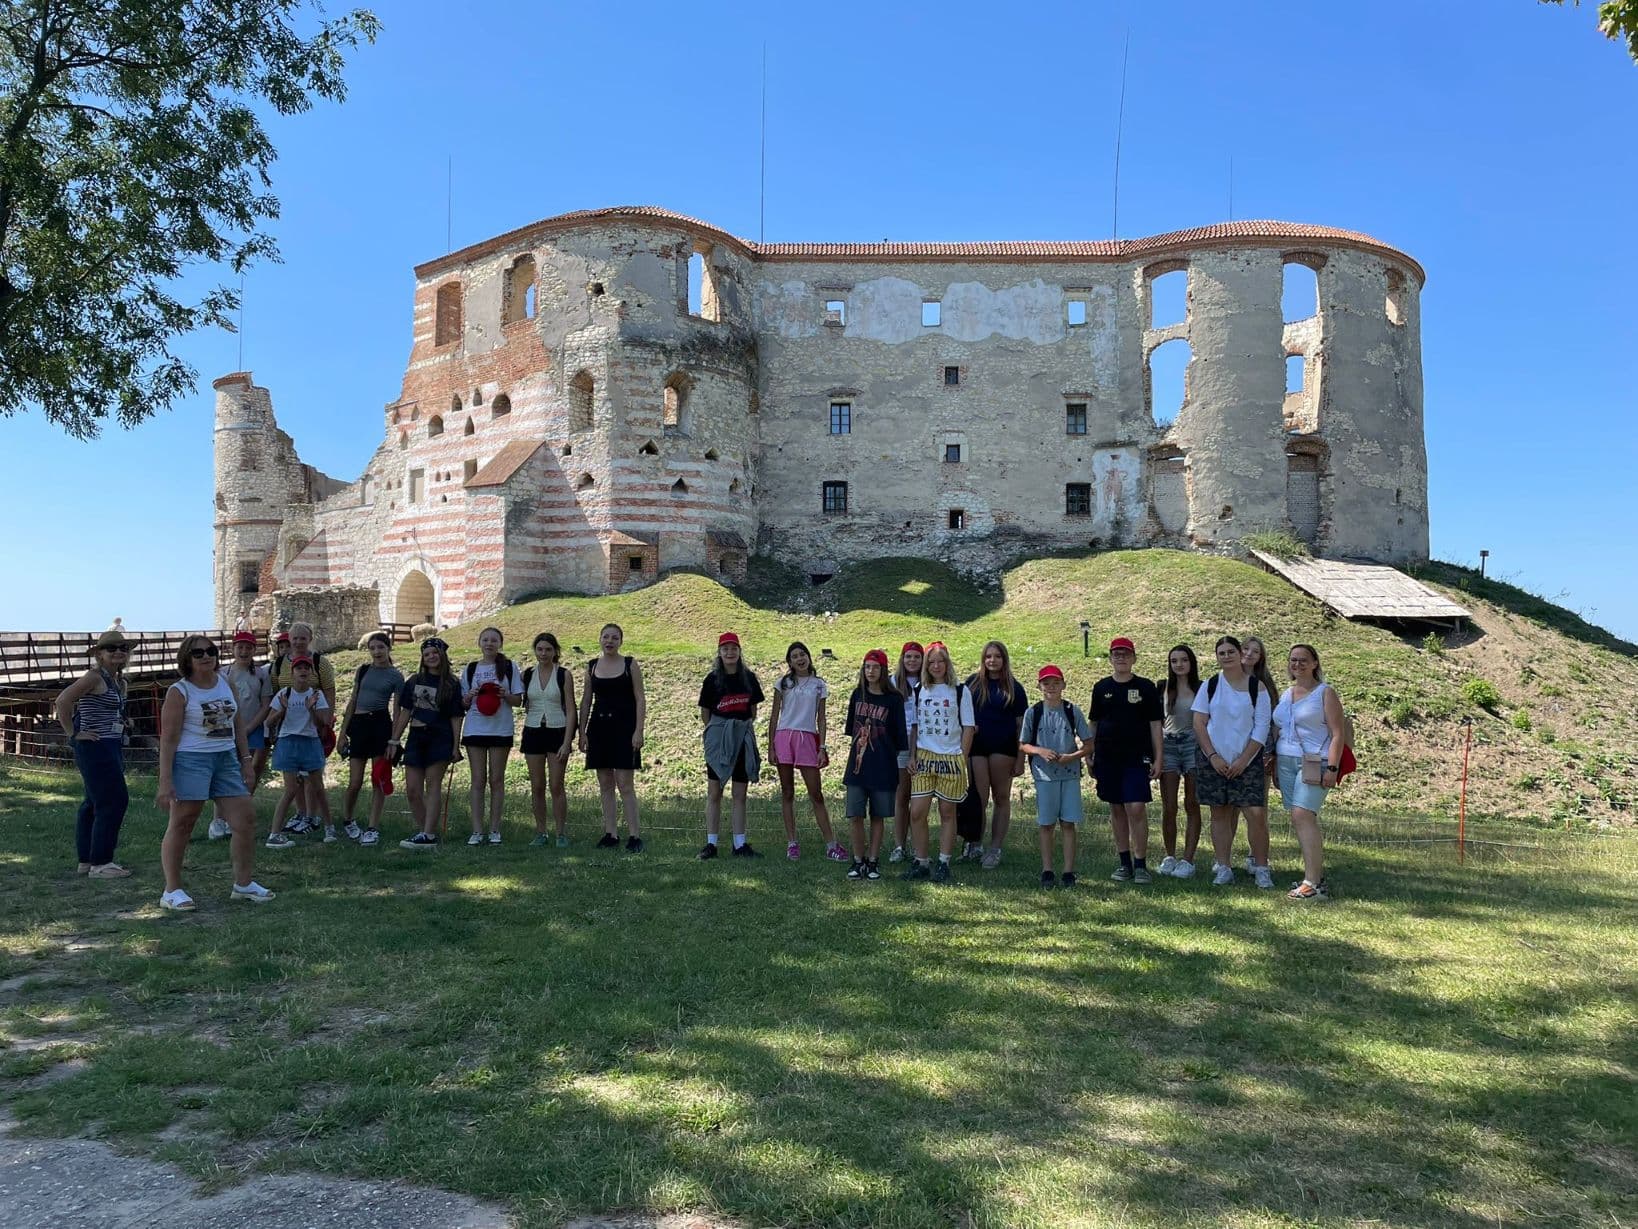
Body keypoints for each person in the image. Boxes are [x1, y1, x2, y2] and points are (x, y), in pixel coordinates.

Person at [154, 635, 275, 909]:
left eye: (210, 651)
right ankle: (172, 890)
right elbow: (168, 739)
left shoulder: (225, 682)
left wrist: (246, 761)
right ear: (187, 659)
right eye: (198, 653)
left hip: (225, 759)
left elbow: (237, 724)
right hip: (191, 759)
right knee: (183, 822)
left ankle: (243, 884)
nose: (206, 656)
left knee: (245, 820)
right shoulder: (179, 692)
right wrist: (165, 781)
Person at [1191, 635, 1274, 888]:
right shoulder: (1210, 685)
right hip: (1214, 762)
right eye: (1221, 653)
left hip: (1247, 762)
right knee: (1220, 814)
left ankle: (1261, 868)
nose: (1226, 656)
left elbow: (1261, 727)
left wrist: (1244, 760)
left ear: (1240, 654)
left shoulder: (1257, 688)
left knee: (1255, 814)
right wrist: (1213, 756)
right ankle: (1224, 867)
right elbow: (1199, 723)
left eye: (1231, 652)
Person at [54, 629, 133, 878]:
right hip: (96, 746)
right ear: (99, 654)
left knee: (93, 802)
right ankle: (101, 863)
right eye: (111, 648)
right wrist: (74, 733)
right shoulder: (93, 677)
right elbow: (63, 701)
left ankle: (87, 860)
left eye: (123, 648)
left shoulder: (118, 680)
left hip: (110, 744)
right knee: (114, 800)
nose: (118, 652)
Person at [1271, 644, 1346, 901]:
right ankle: (1313, 876)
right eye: (1293, 660)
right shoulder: (1286, 693)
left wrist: (1333, 768)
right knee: (1298, 818)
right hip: (1286, 760)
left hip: (1315, 761)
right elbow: (1279, 728)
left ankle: (1313, 884)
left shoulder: (1325, 693)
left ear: (1315, 663)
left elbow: (1337, 733)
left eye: (1303, 660)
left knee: (1303, 814)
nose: (1297, 664)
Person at [1090, 637, 1164, 883]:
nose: (1121, 658)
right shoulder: (1101, 687)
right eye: (1116, 654)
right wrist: (1089, 753)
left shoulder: (1146, 687)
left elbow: (1155, 725)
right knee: (1117, 807)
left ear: (1134, 658)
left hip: (1136, 756)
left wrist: (1159, 758)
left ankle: (1140, 863)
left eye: (1125, 654)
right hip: (1107, 756)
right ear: (1110, 658)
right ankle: (1124, 863)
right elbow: (1094, 723)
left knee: (1136, 807)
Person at [1017, 664, 1094, 888]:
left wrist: (1072, 757)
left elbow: (1089, 744)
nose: (1051, 687)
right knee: (1047, 824)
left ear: (1063, 685)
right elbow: (1023, 744)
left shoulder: (1072, 710)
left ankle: (1069, 871)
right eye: (1046, 683)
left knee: (1068, 823)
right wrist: (1040, 751)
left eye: (1056, 682)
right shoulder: (1033, 712)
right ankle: (1047, 870)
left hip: (1069, 775)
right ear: (1039, 686)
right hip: (1044, 776)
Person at [767, 641, 845, 861]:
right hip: (784, 737)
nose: (799, 659)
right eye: (794, 656)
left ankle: (831, 844)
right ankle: (792, 843)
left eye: (802, 654)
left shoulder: (819, 685)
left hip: (807, 738)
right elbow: (774, 715)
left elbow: (822, 718)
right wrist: (771, 745)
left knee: (816, 794)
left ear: (809, 657)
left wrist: (822, 747)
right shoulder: (783, 683)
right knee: (787, 792)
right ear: (789, 662)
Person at [905, 641, 975, 885]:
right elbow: (915, 726)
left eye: (940, 661)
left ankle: (944, 862)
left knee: (947, 812)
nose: (936, 666)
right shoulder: (919, 690)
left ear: (947, 663)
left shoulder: (960, 690)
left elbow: (968, 727)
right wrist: (912, 755)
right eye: (931, 662)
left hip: (950, 757)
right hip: (924, 756)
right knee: (917, 812)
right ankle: (921, 861)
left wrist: (962, 757)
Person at [390, 637, 464, 850]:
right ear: (422, 658)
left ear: (442, 655)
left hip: (440, 737)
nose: (431, 657)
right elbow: (405, 712)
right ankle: (426, 832)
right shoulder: (414, 681)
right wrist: (394, 739)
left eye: (434, 653)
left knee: (433, 786)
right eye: (426, 654)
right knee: (412, 790)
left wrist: (455, 746)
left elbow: (456, 717)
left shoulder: (451, 683)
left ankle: (428, 834)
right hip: (416, 737)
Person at [577, 623, 646, 852]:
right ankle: (610, 834)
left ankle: (634, 836)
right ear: (599, 639)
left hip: (625, 729)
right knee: (605, 783)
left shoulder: (630, 664)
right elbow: (586, 700)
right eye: (606, 637)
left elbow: (640, 698)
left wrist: (639, 730)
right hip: (599, 729)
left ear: (620, 642)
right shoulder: (592, 666)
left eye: (614, 638)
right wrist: (582, 731)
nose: (609, 641)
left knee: (625, 784)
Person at [698, 632, 765, 860]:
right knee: (714, 792)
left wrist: (738, 730)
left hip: (742, 737)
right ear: (719, 652)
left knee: (739, 793)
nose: (730, 653)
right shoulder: (712, 680)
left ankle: (739, 844)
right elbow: (705, 713)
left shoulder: (749, 678)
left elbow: (753, 711)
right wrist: (718, 735)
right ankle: (711, 844)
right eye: (725, 649)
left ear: (739, 651)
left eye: (733, 648)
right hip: (719, 739)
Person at [841, 649, 907, 880]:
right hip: (858, 767)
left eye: (875, 667)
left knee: (878, 816)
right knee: (855, 815)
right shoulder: (857, 695)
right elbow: (852, 730)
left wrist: (885, 756)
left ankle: (872, 861)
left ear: (883, 670)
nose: (871, 671)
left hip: (883, 766)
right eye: (867, 666)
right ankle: (858, 860)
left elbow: (900, 737)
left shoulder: (894, 699)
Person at [255, 656, 334, 849]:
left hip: (310, 742)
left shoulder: (316, 695)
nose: (303, 671)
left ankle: (329, 828)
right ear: (292, 673)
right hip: (288, 742)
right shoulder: (284, 693)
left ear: (311, 673)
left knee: (318, 787)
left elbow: (322, 723)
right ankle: (275, 834)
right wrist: (282, 710)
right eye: (299, 668)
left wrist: (311, 709)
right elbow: (268, 722)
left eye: (307, 668)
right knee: (290, 789)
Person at [966, 640, 1029, 869]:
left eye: (997, 656)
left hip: (1003, 748)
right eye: (988, 656)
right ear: (983, 659)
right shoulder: (972, 684)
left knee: (1001, 798)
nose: (992, 660)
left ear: (1004, 659)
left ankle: (995, 849)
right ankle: (974, 844)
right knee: (979, 799)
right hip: (977, 748)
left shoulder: (1014, 688)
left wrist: (1021, 759)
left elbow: (1022, 726)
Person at [336, 632, 403, 846]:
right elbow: (353, 701)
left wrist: (394, 740)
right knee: (355, 782)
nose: (376, 652)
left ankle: (373, 828)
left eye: (380, 647)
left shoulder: (396, 676)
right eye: (372, 648)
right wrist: (342, 733)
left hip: (380, 724)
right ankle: (348, 820)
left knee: (378, 779)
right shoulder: (363, 670)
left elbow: (397, 709)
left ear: (388, 648)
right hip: (359, 724)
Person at [270, 622, 336, 835]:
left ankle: (312, 815)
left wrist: (326, 722)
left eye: (303, 638)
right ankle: (300, 813)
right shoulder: (279, 663)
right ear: (289, 639)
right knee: (294, 778)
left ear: (310, 639)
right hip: (288, 726)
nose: (298, 642)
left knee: (311, 777)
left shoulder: (320, 662)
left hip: (313, 724)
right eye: (295, 638)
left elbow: (329, 691)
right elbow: (275, 691)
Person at [460, 627, 521, 846]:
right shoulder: (470, 669)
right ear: (479, 643)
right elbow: (463, 703)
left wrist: (505, 695)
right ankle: (477, 830)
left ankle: (495, 829)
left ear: (500, 643)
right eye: (485, 640)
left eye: (494, 640)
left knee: (497, 780)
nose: (489, 644)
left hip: (500, 728)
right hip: (475, 728)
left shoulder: (510, 667)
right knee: (478, 780)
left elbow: (518, 701)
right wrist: (470, 695)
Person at [521, 632, 577, 847]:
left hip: (557, 731)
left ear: (555, 652)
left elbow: (571, 710)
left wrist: (567, 742)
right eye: (540, 649)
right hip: (533, 731)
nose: (543, 653)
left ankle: (561, 833)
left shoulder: (563, 674)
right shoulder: (528, 674)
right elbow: (520, 701)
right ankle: (541, 832)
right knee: (537, 785)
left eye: (548, 649)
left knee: (556, 785)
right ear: (535, 651)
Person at [1157, 644, 1204, 878]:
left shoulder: (1202, 688)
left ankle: (1188, 859)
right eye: (1174, 661)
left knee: (1192, 803)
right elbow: (1156, 722)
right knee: (1169, 806)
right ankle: (1169, 856)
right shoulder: (1162, 687)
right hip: (1168, 745)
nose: (1179, 664)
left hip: (1193, 744)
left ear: (1191, 662)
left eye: (1183, 660)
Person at [887, 641, 924, 863]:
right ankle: (899, 846)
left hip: (925, 744)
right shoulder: (892, 682)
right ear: (902, 659)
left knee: (920, 798)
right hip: (901, 744)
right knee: (902, 796)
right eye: (908, 656)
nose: (912, 660)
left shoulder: (928, 681)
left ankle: (918, 846)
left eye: (917, 657)